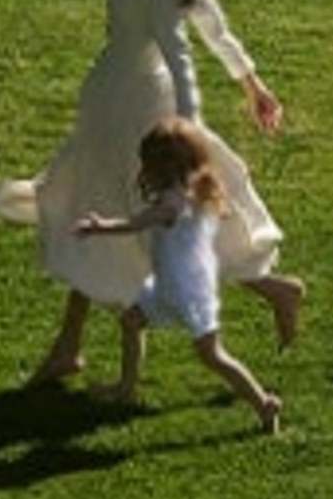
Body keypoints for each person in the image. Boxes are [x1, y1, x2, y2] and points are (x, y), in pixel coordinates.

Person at [0, 0, 305, 384]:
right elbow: (210, 20)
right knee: (100, 210)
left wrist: (191, 134)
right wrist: (252, 83)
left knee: (159, 228)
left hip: (139, 112)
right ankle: (70, 344)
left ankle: (275, 288)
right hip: (111, 107)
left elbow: (183, 55)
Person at [73, 118, 282, 434]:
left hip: (186, 292)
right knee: (132, 320)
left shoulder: (172, 203)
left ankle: (263, 403)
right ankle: (126, 388)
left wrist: (100, 226)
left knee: (212, 355)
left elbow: (137, 223)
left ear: (161, 167)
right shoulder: (197, 190)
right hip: (177, 285)